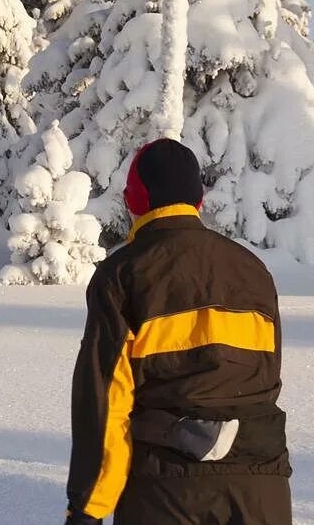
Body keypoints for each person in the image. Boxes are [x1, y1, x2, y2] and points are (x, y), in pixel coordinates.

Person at [64, 139, 289, 525]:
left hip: (166, 489)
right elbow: (265, 381)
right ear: (198, 201)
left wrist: (89, 507)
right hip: (261, 488)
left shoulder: (123, 275)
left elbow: (106, 403)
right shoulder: (253, 271)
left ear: (135, 202)